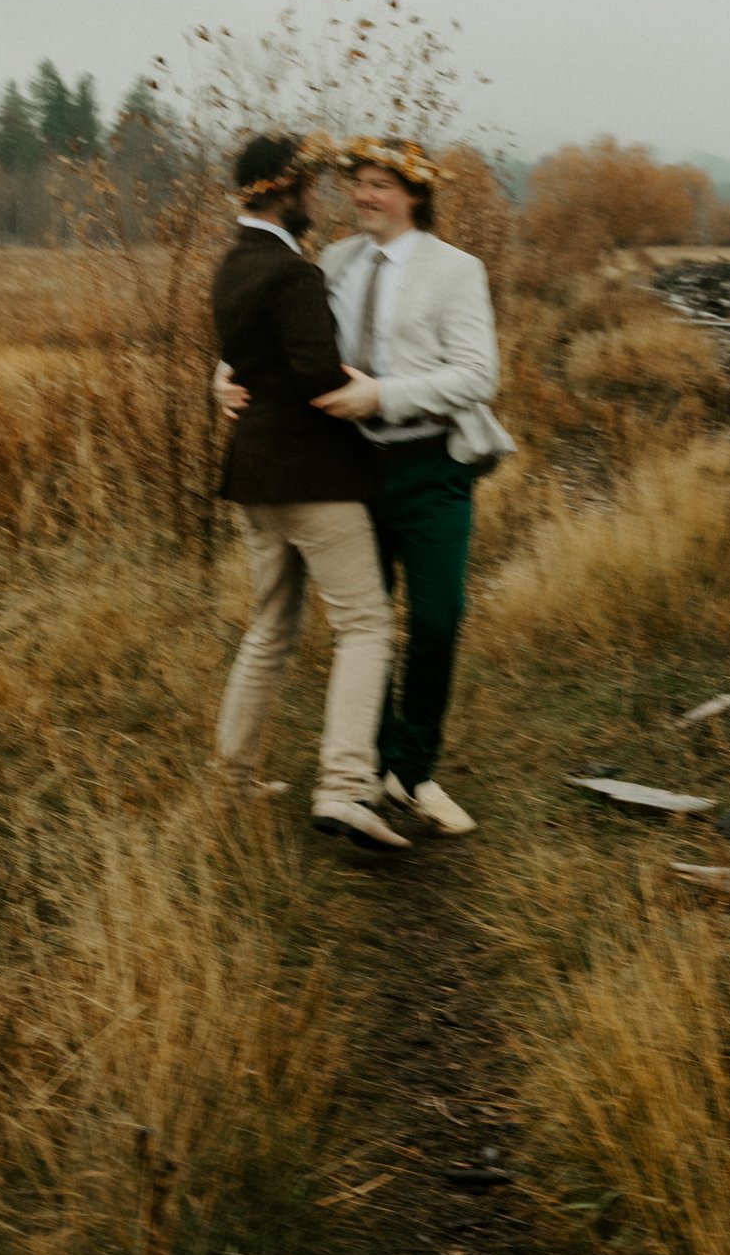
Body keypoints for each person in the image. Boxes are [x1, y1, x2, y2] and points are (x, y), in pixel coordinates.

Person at [218, 134, 511, 837]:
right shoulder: (333, 261)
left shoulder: (456, 270)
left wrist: (386, 396)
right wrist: (223, 376)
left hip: (432, 466)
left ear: (414, 195)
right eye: (357, 184)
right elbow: (278, 330)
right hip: (348, 470)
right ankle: (371, 770)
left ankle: (414, 772)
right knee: (366, 620)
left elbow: (478, 377)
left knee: (435, 620)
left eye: (379, 184)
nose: (362, 196)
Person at [210, 132, 408, 852]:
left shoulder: (231, 263)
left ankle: (233, 782)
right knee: (365, 624)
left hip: (253, 475)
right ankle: (345, 787)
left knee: (270, 628)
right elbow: (320, 377)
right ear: (280, 190)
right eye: (309, 188)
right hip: (310, 478)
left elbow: (242, 364)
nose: (317, 201)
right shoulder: (292, 274)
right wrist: (387, 393)